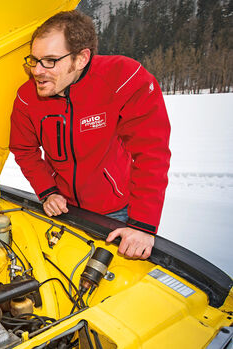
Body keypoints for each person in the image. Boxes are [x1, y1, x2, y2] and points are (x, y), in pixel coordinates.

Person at [9, 10, 171, 260]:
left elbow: (151, 153)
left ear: (82, 58)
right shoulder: (27, 98)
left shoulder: (122, 78)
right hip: (65, 211)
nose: (37, 71)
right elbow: (24, 149)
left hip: (117, 213)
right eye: (34, 59)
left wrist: (142, 225)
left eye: (50, 60)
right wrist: (47, 191)